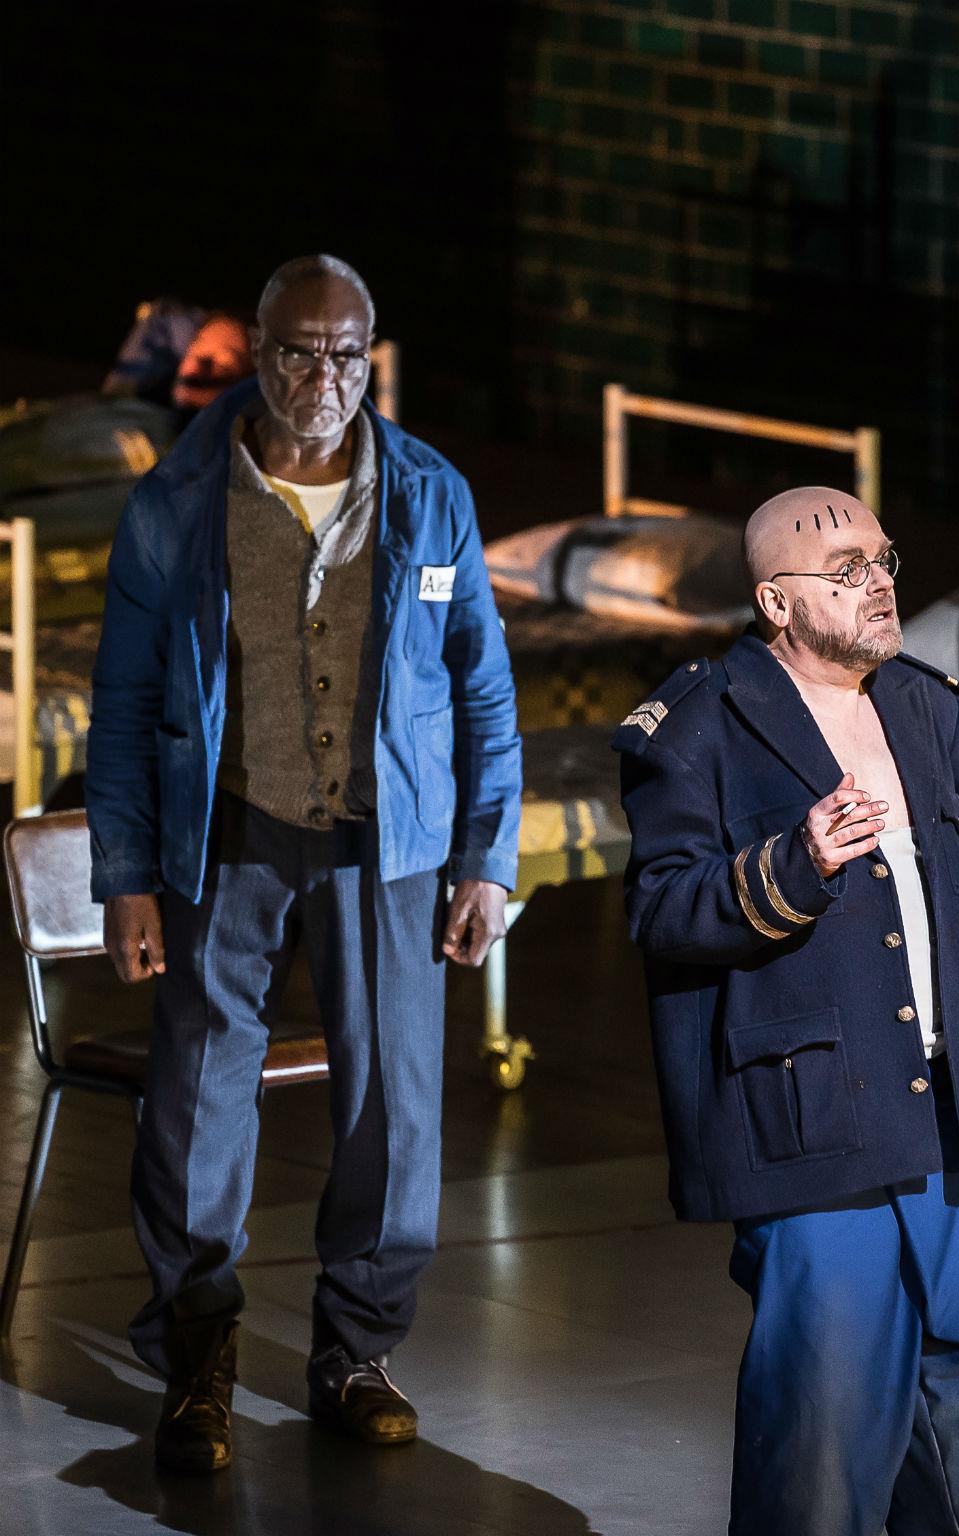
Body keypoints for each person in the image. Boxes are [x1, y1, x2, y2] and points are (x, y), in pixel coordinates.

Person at [87, 254, 521, 1473]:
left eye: (342, 356)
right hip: (228, 825)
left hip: (387, 842)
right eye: (294, 351)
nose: (319, 378)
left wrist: (487, 854)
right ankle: (198, 1351)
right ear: (257, 350)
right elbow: (120, 698)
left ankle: (357, 1350)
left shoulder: (429, 494)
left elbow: (482, 686)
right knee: (196, 1095)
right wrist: (125, 873)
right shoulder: (180, 499)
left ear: (368, 357)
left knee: (393, 1099)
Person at [615, 486, 959, 1536]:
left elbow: (925, 896)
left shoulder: (923, 703)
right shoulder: (696, 727)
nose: (877, 586)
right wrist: (794, 863)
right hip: (811, 1117)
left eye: (883, 560)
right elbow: (662, 909)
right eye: (845, 569)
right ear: (776, 600)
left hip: (947, 1113)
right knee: (822, 1438)